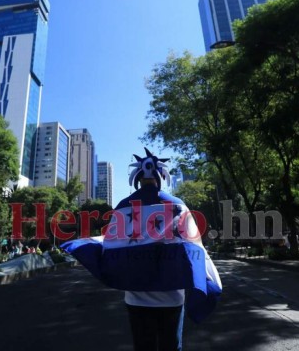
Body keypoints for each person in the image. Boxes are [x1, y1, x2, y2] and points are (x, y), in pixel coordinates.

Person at [61, 148, 222, 351]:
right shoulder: (178, 206)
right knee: (171, 347)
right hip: (172, 299)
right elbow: (194, 248)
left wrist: (87, 245)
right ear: (160, 177)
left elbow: (111, 247)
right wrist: (209, 282)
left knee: (143, 347)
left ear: (137, 178)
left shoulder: (123, 206)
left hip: (136, 299)